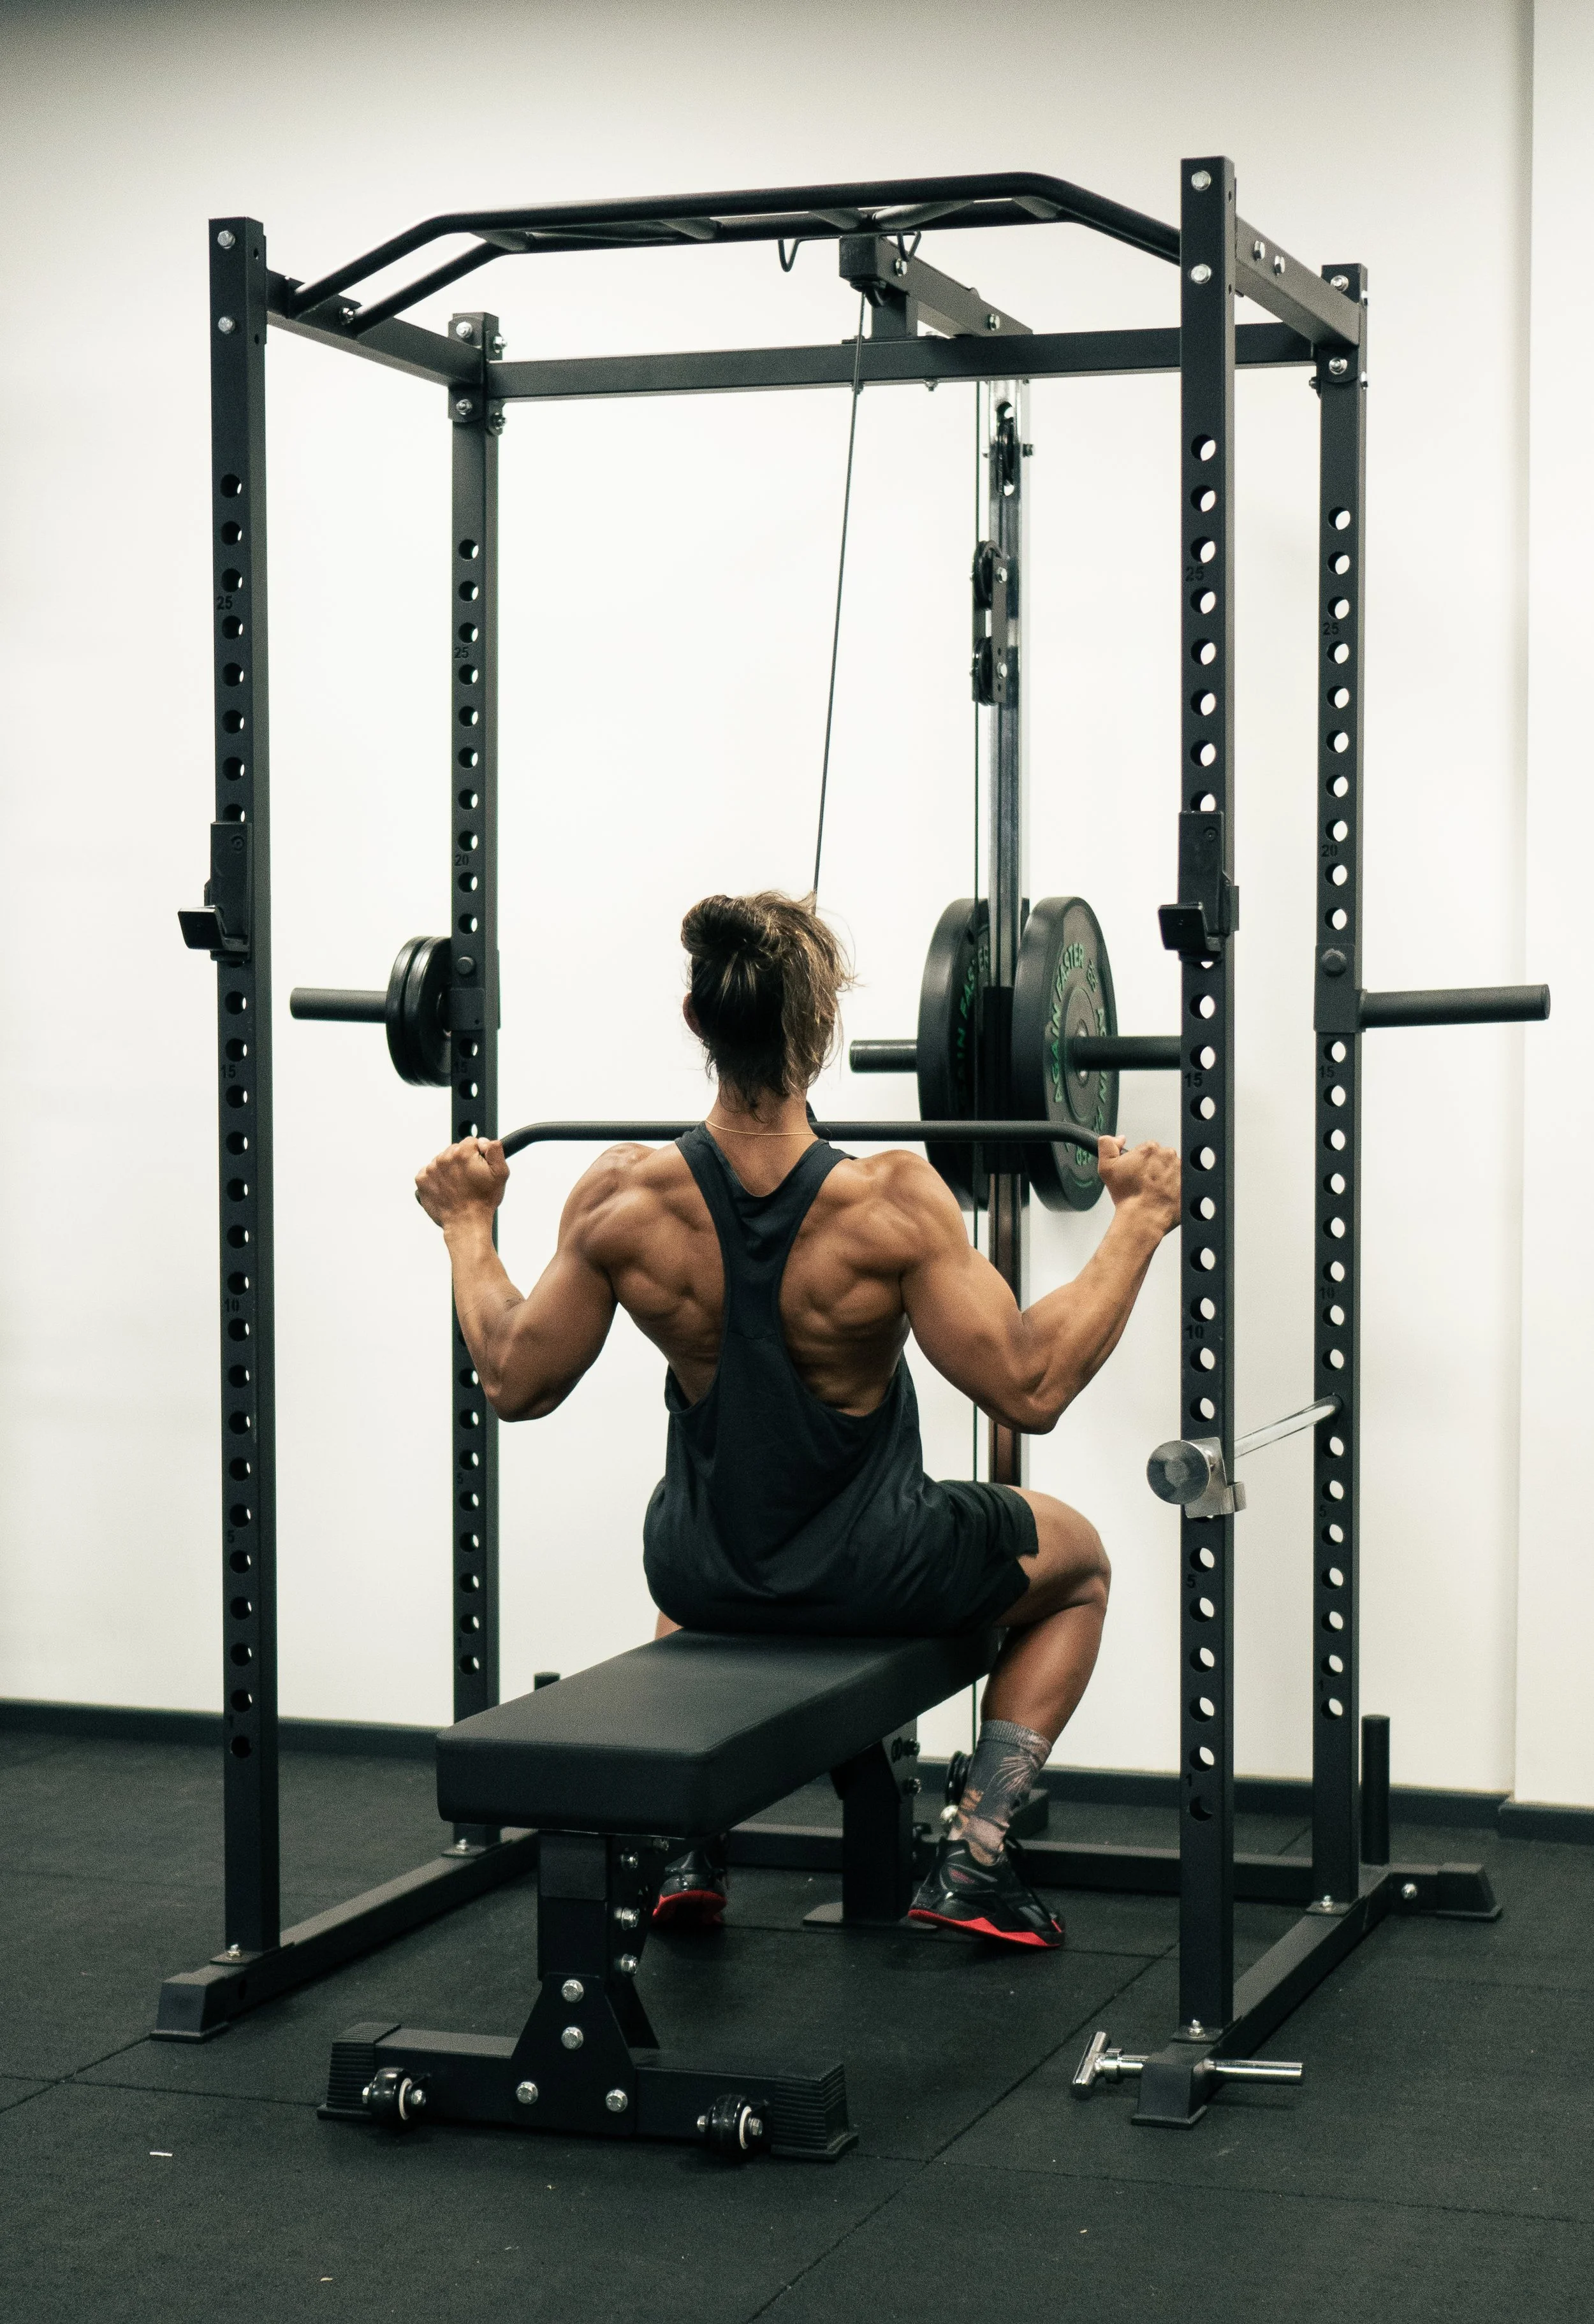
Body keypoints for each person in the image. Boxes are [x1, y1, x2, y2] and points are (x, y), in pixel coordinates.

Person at [415, 890, 1181, 1949]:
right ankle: (979, 1851)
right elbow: (1031, 1384)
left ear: (698, 1020)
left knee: (720, 1530)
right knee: (1082, 1562)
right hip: (876, 1569)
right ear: (817, 1031)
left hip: (701, 1571)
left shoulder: (618, 1199)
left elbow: (512, 1377)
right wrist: (1138, 1219)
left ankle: (691, 1850)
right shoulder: (890, 1206)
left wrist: (467, 1224)